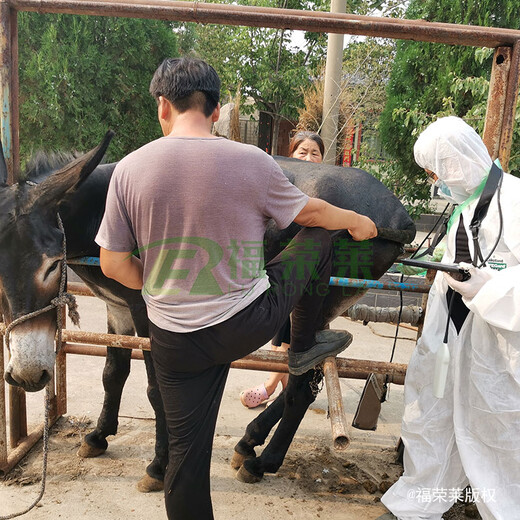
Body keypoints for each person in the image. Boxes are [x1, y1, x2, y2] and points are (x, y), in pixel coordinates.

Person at [95, 57, 377, 520]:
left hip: (172, 339)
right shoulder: (252, 161)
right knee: (321, 233)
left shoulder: (129, 169)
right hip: (247, 323)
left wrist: (160, 280)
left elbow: (111, 262)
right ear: (218, 109)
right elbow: (313, 215)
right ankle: (303, 345)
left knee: (185, 463)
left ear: (163, 106)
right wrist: (358, 222)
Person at [377, 116, 520, 520]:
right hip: (452, 335)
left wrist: (489, 288)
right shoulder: (463, 207)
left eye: (436, 171)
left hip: (499, 347)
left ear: (455, 162)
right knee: (433, 417)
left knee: (500, 435)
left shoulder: (514, 201)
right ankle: (420, 501)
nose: (435, 181)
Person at [239, 131, 325, 408]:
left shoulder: (327, 191)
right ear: (291, 155)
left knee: (291, 334)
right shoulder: (280, 185)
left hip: (310, 274)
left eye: (315, 153)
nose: (309, 157)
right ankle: (285, 392)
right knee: (279, 335)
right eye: (303, 152)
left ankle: (269, 386)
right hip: (280, 272)